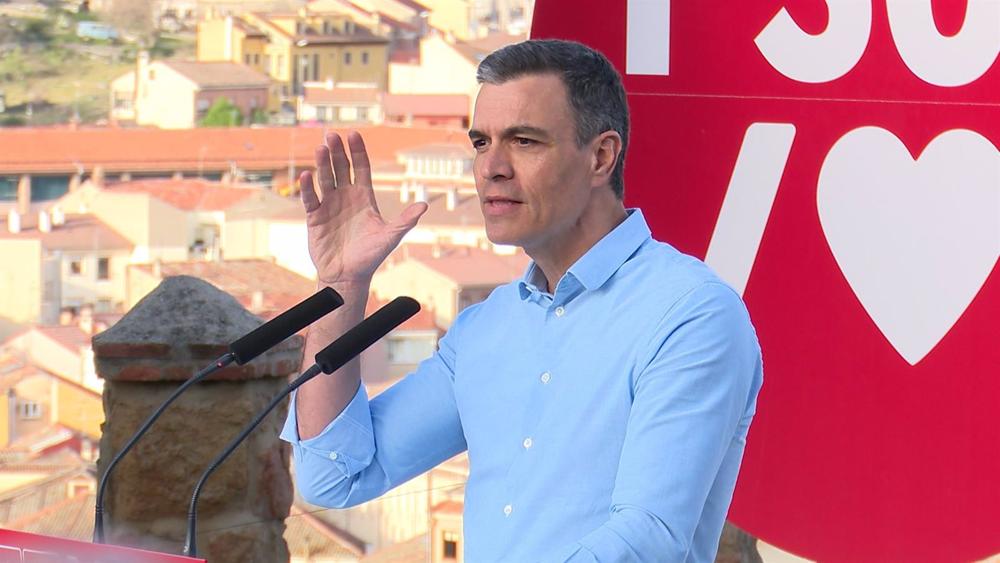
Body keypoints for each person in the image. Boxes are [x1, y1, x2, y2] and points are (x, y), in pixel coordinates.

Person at [281, 39, 763, 562]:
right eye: (481, 143)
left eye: (524, 141)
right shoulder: (485, 329)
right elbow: (336, 474)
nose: (492, 167)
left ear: (601, 156)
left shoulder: (691, 314)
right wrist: (344, 286)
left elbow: (647, 539)